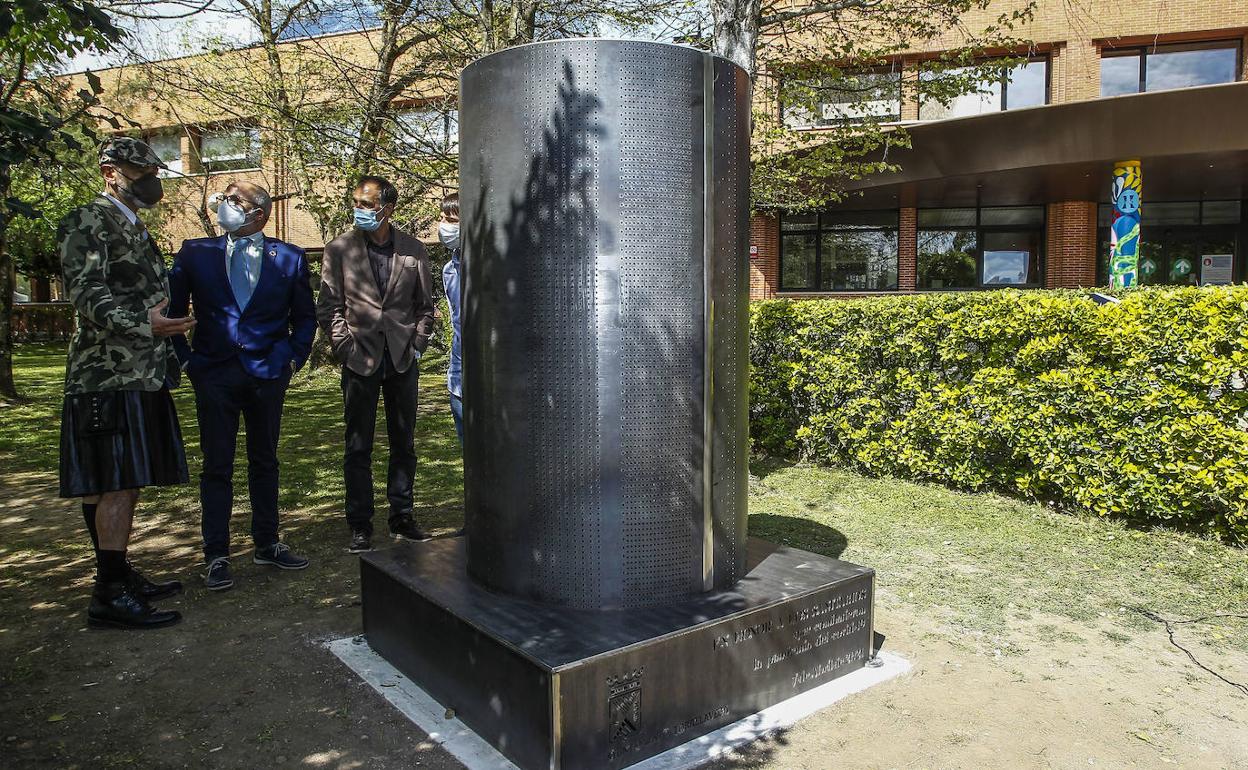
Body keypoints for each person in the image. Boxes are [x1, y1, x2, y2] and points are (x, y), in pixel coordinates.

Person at [58, 137, 195, 629]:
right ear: (109, 172)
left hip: (141, 371)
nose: (151, 180)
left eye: (153, 170)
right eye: (140, 171)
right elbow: (86, 296)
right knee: (113, 480)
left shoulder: (134, 226)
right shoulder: (87, 220)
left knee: (123, 479)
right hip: (106, 373)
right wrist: (147, 323)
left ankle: (114, 573)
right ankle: (110, 592)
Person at [167, 181, 316, 591]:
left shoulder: (289, 257)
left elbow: (305, 317)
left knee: (265, 460)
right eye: (226, 197)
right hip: (214, 373)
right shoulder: (195, 252)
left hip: (268, 373)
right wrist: (187, 360)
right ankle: (216, 554)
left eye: (237, 200)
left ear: (260, 214)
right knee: (217, 465)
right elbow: (173, 314)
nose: (226, 205)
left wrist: (292, 358)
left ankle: (267, 542)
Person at [317, 176, 437, 554]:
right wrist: (344, 346)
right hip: (360, 359)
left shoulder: (413, 250)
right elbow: (329, 305)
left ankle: (402, 516)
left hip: (402, 359)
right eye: (356, 202)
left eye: (366, 204)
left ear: (387, 208)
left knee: (404, 443)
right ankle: (360, 524)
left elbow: (425, 306)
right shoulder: (339, 249)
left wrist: (417, 344)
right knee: (358, 446)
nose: (359, 210)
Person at [438, 193, 463, 443]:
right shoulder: (449, 271)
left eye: (451, 220)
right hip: (458, 383)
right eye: (443, 218)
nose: (444, 226)